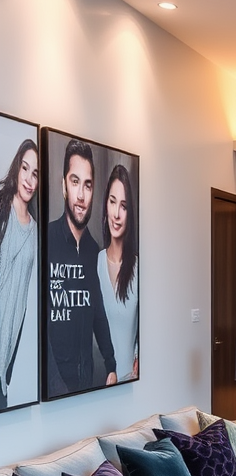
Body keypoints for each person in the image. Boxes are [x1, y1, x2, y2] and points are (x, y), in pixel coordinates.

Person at [46, 138, 117, 396]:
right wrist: (54, 385)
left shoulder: (93, 250)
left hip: (87, 386)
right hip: (53, 390)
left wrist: (111, 364)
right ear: (64, 185)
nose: (80, 195)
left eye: (87, 185)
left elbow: (97, 312)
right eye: (74, 182)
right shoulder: (47, 240)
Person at [0, 137, 39, 410]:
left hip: (7, 351)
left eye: (35, 173)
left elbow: (24, 298)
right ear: (16, 168)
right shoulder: (1, 209)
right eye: (25, 168)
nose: (28, 179)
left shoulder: (36, 230)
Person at [97, 163, 138, 382]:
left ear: (129, 213)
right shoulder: (95, 263)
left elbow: (146, 325)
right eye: (112, 202)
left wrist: (139, 357)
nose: (116, 214)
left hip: (131, 381)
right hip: (98, 385)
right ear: (105, 205)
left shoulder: (138, 269)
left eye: (123, 206)